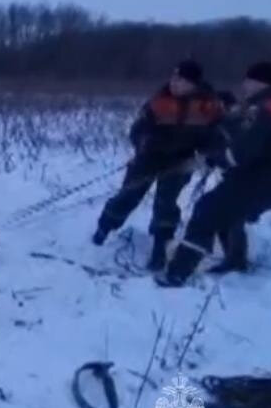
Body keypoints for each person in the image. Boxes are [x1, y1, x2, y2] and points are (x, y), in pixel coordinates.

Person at [156, 61, 271, 287]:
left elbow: (240, 152)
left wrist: (212, 159)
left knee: (207, 210)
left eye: (247, 80)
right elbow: (249, 138)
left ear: (258, 82)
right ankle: (235, 261)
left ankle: (177, 273)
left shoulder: (264, 108)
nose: (243, 85)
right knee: (228, 204)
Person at [92, 60, 226, 270]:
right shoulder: (159, 101)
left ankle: (160, 246)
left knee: (166, 203)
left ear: (194, 84)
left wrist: (210, 154)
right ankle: (104, 228)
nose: (174, 82)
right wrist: (144, 142)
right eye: (173, 77)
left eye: (180, 79)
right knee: (128, 194)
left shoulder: (209, 106)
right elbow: (138, 129)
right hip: (149, 158)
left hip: (181, 161)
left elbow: (217, 135)